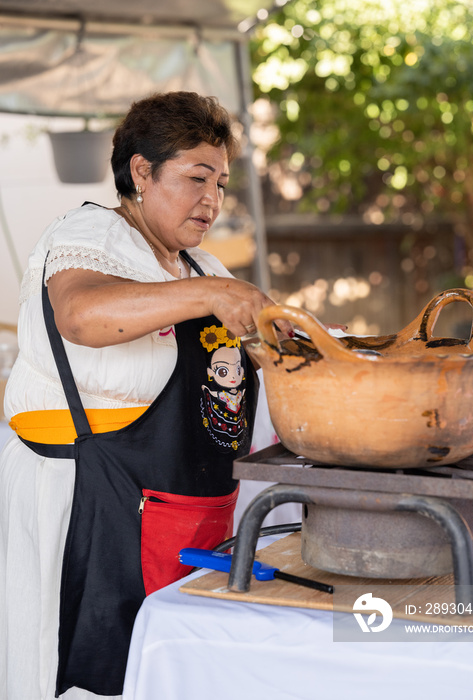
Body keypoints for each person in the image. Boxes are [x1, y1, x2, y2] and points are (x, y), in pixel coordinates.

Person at [0, 91, 292, 700]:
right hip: (89, 505)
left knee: (166, 674)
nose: (211, 200)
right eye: (195, 178)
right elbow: (81, 314)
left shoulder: (198, 264)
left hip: (180, 512)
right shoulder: (93, 233)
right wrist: (213, 293)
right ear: (141, 171)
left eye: (220, 182)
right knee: (90, 674)